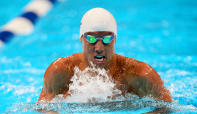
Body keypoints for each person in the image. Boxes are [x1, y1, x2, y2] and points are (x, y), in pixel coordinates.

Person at [38, 8, 173, 104]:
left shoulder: (140, 75)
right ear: (81, 39)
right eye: (91, 39)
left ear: (115, 39)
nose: (99, 48)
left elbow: (169, 112)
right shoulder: (61, 71)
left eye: (107, 39)